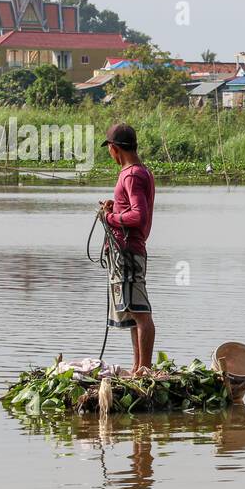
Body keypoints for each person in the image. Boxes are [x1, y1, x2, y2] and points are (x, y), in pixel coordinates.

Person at [98, 122, 156, 375]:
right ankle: (137, 368)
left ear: (114, 148)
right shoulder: (136, 172)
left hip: (128, 250)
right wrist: (115, 207)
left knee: (140, 312)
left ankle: (144, 368)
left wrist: (109, 218)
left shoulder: (132, 175)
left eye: (109, 148)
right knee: (134, 311)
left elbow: (139, 217)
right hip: (127, 249)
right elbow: (131, 209)